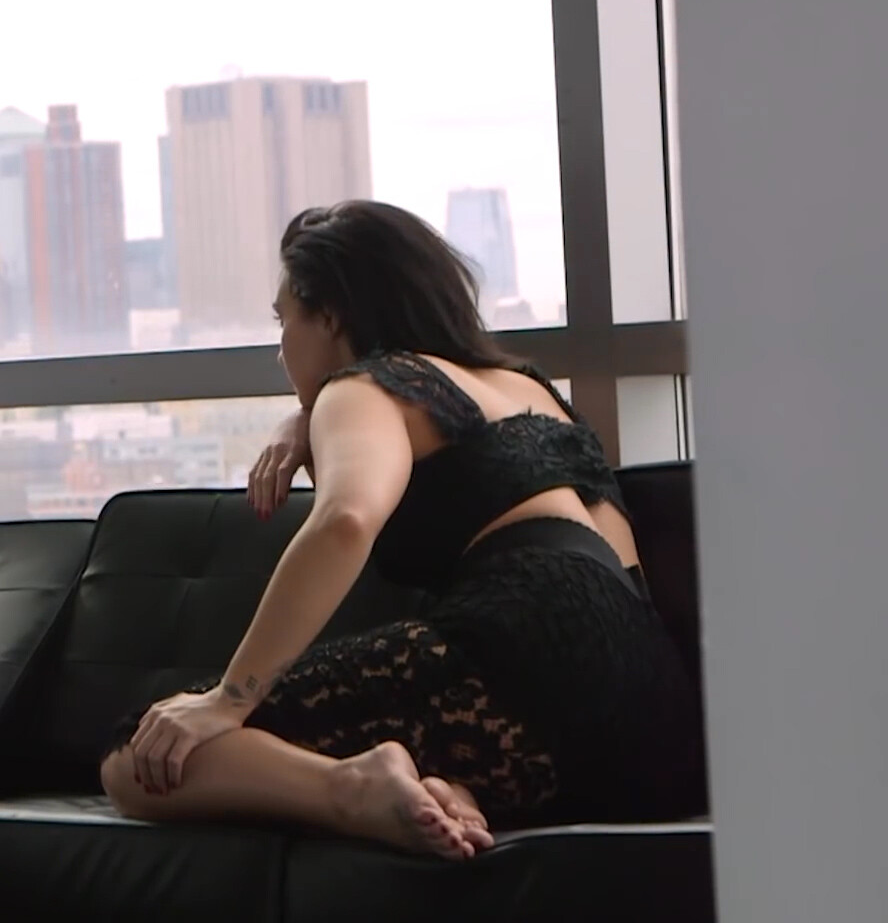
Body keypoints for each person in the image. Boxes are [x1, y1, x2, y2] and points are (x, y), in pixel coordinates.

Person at [100, 200, 704, 860]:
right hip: (657, 727)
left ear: (331, 315)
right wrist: (308, 419)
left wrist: (230, 698)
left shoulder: (366, 388)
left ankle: (352, 788)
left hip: (522, 650)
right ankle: (448, 788)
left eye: (284, 319)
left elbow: (346, 519)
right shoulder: (530, 390)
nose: (280, 349)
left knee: (140, 756)